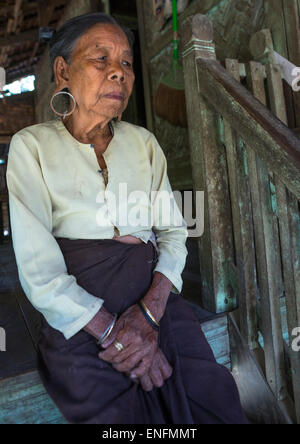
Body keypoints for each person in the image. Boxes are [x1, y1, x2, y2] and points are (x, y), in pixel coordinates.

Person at [6, 12, 249, 424]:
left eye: (127, 63)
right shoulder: (31, 146)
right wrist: (111, 332)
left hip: (151, 293)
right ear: (63, 71)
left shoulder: (144, 144)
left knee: (212, 396)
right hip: (81, 310)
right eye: (101, 59)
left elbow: (172, 230)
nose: (118, 72)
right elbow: (38, 267)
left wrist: (150, 313)